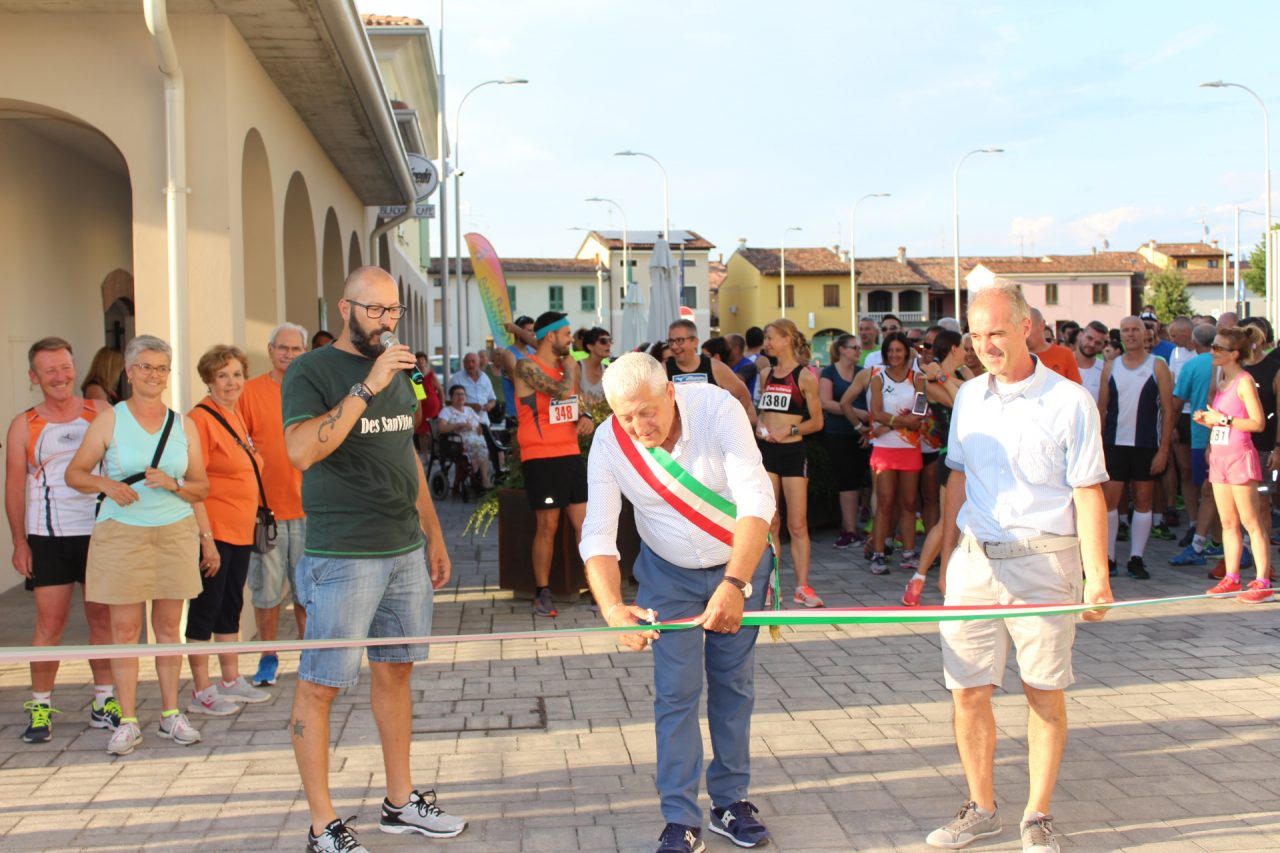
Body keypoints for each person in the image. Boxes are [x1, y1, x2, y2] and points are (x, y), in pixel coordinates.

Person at [282, 266, 464, 851]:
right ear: (345, 307)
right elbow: (303, 451)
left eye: (393, 312)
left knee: (396, 671)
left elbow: (403, 453)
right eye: (375, 311)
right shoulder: (312, 371)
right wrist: (365, 385)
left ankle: (400, 801)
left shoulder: (400, 372)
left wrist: (433, 535)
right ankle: (321, 824)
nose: (387, 322)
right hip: (343, 553)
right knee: (321, 684)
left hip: (403, 548)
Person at [928, 283, 1112, 853]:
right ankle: (982, 808)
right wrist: (945, 558)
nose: (985, 345)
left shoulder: (1068, 401)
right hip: (974, 561)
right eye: (976, 336)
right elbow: (956, 477)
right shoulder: (968, 398)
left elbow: (1088, 493)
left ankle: (1037, 815)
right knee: (967, 690)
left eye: (996, 333)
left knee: (1042, 691)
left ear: (1026, 326)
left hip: (1043, 562)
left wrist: (1096, 575)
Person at [579, 353, 777, 853]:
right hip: (666, 575)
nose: (639, 426)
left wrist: (735, 582)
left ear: (670, 392)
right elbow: (599, 535)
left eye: (648, 411)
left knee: (733, 686)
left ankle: (731, 802)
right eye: (626, 416)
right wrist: (611, 610)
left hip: (739, 562)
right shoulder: (608, 442)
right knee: (676, 693)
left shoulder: (717, 410)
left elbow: (757, 501)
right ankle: (680, 817)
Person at [65, 335, 210, 755]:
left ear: (169, 374)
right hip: (122, 532)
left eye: (161, 367)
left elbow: (202, 487)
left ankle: (170, 713)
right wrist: (106, 484)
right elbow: (75, 473)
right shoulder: (110, 420)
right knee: (125, 630)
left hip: (174, 529)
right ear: (128, 372)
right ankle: (127, 719)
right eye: (145, 366)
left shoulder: (184, 425)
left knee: (168, 627)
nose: (153, 374)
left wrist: (175, 483)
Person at [6, 338, 118, 744]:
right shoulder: (24, 424)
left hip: (99, 533)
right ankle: (40, 705)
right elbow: (14, 488)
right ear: (34, 377)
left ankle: (104, 702)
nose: (60, 377)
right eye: (49, 370)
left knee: (102, 620)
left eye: (66, 367)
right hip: (49, 537)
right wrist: (20, 543)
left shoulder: (100, 412)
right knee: (49, 624)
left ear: (75, 368)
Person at [185, 345, 271, 716]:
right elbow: (194, 482)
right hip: (215, 532)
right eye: (222, 375)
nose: (231, 382)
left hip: (239, 530)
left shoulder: (233, 415)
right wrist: (207, 541)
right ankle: (201, 689)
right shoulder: (201, 419)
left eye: (236, 374)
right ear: (209, 379)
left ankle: (230, 679)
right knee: (206, 608)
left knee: (231, 606)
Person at [504, 311, 594, 618]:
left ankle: (596, 585)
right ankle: (542, 593)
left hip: (569, 452)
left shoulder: (568, 366)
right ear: (551, 336)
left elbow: (578, 401)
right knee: (548, 526)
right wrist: (569, 370)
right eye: (567, 334)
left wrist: (587, 418)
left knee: (585, 524)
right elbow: (557, 391)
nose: (572, 340)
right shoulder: (526, 365)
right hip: (540, 457)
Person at [240, 323, 310, 688]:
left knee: (307, 591)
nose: (289, 354)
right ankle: (268, 656)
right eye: (282, 348)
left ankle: (309, 655)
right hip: (266, 513)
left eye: (296, 349)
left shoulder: (314, 391)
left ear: (304, 352)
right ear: (270, 350)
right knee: (266, 593)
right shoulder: (250, 393)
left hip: (310, 508)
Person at [1098, 315, 1175, 579]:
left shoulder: (1158, 366)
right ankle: (1108, 557)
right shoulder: (1110, 367)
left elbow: (1167, 410)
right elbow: (1102, 409)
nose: (1130, 334)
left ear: (1145, 334)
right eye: (1125, 330)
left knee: (1143, 500)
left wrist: (1164, 449)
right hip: (1114, 444)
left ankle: (1136, 558)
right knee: (1110, 502)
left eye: (1135, 330)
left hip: (1145, 445)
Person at [1201, 326, 1274, 603]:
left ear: (1234, 354)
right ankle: (1231, 577)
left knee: (1251, 522)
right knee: (1227, 521)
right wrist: (1210, 423)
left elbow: (1257, 423)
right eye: (1213, 346)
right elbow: (1221, 419)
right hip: (1220, 457)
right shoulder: (1221, 380)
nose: (1212, 351)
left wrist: (1224, 420)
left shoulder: (1244, 381)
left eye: (1218, 348)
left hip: (1240, 456)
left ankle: (1262, 580)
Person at [756, 319, 824, 606]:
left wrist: (789, 430)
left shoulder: (805, 376)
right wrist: (760, 425)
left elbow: (818, 422)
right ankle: (773, 585)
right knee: (771, 522)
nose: (766, 343)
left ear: (787, 339)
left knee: (797, 523)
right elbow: (762, 411)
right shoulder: (766, 374)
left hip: (794, 454)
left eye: (770, 338)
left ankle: (803, 586)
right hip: (767, 452)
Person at [902, 329, 965, 606]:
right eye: (964, 346)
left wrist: (946, 373)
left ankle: (956, 578)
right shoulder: (929, 383)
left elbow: (976, 394)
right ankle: (919, 578)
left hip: (974, 458)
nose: (968, 351)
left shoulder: (963, 376)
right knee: (947, 523)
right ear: (953, 348)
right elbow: (960, 401)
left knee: (965, 524)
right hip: (952, 458)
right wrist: (940, 375)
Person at [867, 331, 924, 576]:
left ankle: (909, 552)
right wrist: (901, 422)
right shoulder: (878, 377)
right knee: (885, 503)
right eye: (890, 351)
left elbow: (919, 415)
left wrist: (889, 424)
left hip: (910, 448)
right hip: (884, 449)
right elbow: (875, 412)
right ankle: (878, 553)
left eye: (899, 350)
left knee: (910, 503)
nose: (894, 355)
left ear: (907, 352)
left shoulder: (918, 378)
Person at [1169, 323, 1221, 567]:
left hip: (1201, 434)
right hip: (1223, 435)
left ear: (1194, 341)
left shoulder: (1192, 365)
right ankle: (1216, 540)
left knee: (1207, 491)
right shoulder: (1227, 364)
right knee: (1214, 492)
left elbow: (1177, 401)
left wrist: (1168, 428)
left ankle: (1201, 537)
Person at [819, 334, 868, 550]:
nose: (858, 351)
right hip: (838, 433)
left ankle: (864, 525)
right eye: (854, 347)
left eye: (859, 347)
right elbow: (826, 403)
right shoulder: (829, 372)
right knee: (846, 480)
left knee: (864, 481)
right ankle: (849, 529)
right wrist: (856, 412)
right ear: (842, 350)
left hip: (863, 433)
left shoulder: (862, 373)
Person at [664, 319, 757, 425]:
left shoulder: (715, 368)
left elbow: (743, 395)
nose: (674, 346)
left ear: (695, 342)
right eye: (671, 342)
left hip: (712, 438)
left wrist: (729, 424)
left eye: (680, 340)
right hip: (680, 438)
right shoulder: (664, 370)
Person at [438, 384, 493, 489]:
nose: (460, 397)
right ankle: (485, 479)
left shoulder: (469, 410)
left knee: (494, 445)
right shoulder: (447, 411)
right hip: (457, 442)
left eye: (462, 394)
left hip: (475, 438)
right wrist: (458, 425)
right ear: (451, 397)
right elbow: (441, 428)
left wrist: (479, 428)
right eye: (457, 394)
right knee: (482, 446)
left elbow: (479, 424)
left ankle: (494, 474)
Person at [1026, 308, 1082, 383]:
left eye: (1027, 328)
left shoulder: (1065, 354)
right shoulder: (1015, 357)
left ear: (1041, 325)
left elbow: (1076, 389)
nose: (1024, 333)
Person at [497, 315, 536, 419]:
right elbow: (518, 383)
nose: (533, 334)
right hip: (516, 412)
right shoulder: (509, 354)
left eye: (534, 331)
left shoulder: (533, 351)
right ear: (518, 333)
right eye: (529, 331)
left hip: (534, 410)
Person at [1073, 321, 1108, 401]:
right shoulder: (1062, 362)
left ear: (1103, 346)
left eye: (1098, 343)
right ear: (1080, 335)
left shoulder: (1105, 370)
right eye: (1089, 338)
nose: (1092, 344)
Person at [455, 352, 497, 417]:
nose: (470, 364)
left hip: (483, 419)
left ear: (478, 363)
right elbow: (448, 402)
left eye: (473, 361)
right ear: (463, 364)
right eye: (467, 362)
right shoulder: (456, 378)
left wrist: (489, 405)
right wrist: (470, 406)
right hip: (463, 420)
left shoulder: (485, 377)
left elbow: (492, 399)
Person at [579, 326, 612, 406]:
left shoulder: (609, 370)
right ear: (590, 346)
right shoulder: (578, 367)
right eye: (603, 341)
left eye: (610, 341)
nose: (608, 344)